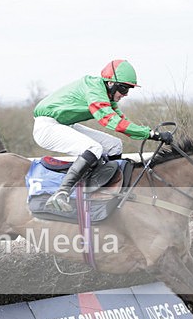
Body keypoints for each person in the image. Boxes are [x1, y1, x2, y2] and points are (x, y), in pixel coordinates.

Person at [33, 59, 173, 212]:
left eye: (128, 89)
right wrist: (152, 135)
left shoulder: (106, 95)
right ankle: (61, 193)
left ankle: (110, 189)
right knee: (94, 148)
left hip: (64, 125)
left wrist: (152, 133)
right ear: (111, 83)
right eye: (124, 89)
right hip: (47, 127)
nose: (126, 94)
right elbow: (111, 122)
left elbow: (123, 123)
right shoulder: (94, 89)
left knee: (114, 145)